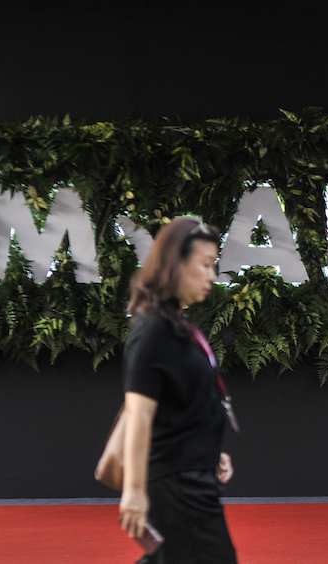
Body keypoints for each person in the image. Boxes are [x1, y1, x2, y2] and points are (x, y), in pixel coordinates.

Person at [119, 217, 238, 563]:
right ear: (176, 263)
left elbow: (183, 406)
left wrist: (208, 452)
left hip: (193, 477)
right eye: (204, 264)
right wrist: (134, 492)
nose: (211, 276)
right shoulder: (153, 329)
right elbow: (139, 413)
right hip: (177, 486)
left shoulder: (176, 325)